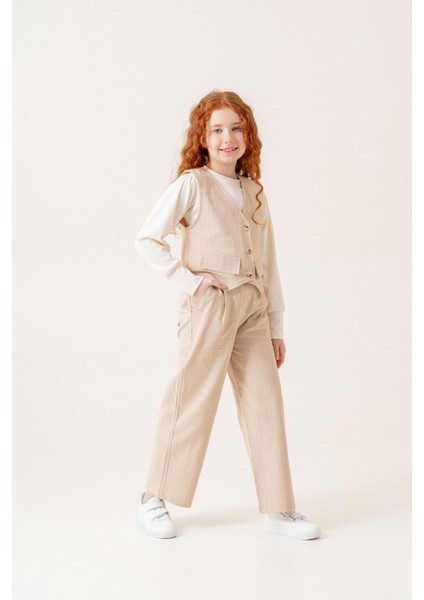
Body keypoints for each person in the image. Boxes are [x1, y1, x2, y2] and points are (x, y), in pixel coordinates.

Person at [134, 90, 321, 541]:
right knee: (191, 399)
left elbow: (269, 263)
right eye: (216, 129)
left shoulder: (254, 191)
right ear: (202, 137)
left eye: (236, 128)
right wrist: (192, 282)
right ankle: (153, 499)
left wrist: (275, 325)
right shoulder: (192, 185)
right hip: (210, 306)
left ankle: (278, 508)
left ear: (247, 135)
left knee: (266, 404)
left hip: (253, 308)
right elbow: (147, 240)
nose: (227, 138)